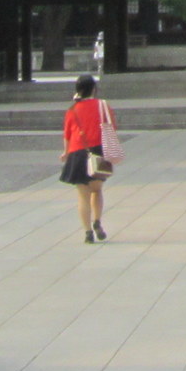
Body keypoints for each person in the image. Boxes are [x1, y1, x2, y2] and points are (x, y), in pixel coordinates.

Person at [59, 73, 116, 243]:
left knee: (83, 196)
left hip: (77, 152)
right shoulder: (103, 106)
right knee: (97, 190)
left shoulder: (72, 110)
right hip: (98, 151)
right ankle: (97, 221)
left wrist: (65, 152)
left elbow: (67, 134)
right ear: (94, 89)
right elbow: (111, 127)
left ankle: (87, 232)